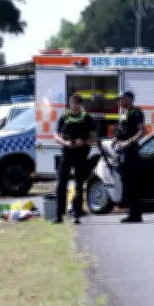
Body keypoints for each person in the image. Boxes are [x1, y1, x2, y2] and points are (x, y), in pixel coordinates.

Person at [53, 94, 97, 224]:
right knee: (61, 185)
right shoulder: (64, 117)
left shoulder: (87, 118)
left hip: (81, 155)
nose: (76, 106)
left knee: (79, 185)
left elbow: (93, 138)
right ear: (70, 104)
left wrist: (83, 142)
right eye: (74, 103)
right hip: (66, 154)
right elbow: (56, 136)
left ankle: (76, 213)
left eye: (78, 104)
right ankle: (59, 215)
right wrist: (65, 142)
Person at [112, 91, 146, 223]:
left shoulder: (135, 112)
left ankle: (136, 215)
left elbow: (142, 131)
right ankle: (131, 212)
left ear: (129, 99)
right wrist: (116, 138)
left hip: (131, 152)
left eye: (122, 99)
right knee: (127, 184)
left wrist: (128, 142)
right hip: (123, 151)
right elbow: (122, 131)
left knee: (132, 184)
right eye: (119, 99)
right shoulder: (124, 113)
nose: (119, 101)